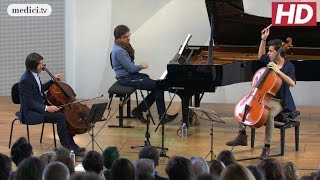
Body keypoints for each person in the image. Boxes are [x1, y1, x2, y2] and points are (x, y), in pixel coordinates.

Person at [226, 25, 297, 160]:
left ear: (278, 52)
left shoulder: (288, 66)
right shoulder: (270, 60)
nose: (268, 53)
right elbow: (260, 56)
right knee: (244, 105)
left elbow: (292, 83)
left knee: (269, 114)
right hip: (263, 96)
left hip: (280, 101)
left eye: (270, 51)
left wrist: (278, 71)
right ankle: (242, 135)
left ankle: (266, 147)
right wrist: (263, 39)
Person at [19, 52, 85, 156]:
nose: (43, 66)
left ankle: (72, 146)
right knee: (61, 117)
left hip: (40, 107)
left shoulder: (34, 74)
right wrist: (46, 108)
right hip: (31, 112)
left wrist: (53, 80)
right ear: (33, 66)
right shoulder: (25, 80)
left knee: (65, 114)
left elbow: (40, 90)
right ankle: (68, 148)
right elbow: (29, 103)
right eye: (41, 64)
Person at [111, 24, 178, 124]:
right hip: (125, 79)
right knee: (159, 86)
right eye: (125, 37)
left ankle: (139, 110)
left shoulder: (120, 46)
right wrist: (142, 66)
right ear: (118, 38)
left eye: (129, 35)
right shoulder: (119, 51)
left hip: (128, 76)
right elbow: (131, 68)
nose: (128, 38)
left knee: (156, 85)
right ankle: (161, 116)